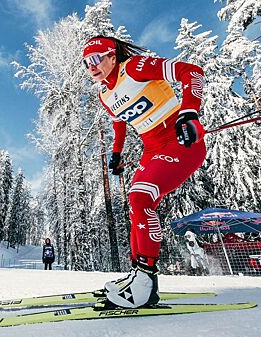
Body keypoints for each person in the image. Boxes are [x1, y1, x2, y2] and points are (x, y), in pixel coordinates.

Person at [82, 36, 206, 308]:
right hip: (152, 147)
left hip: (179, 140)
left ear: (113, 57)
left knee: (140, 197)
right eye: (86, 62)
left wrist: (189, 113)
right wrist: (116, 153)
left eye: (97, 58)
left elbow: (192, 71)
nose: (91, 66)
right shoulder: (105, 94)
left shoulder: (136, 67)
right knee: (135, 204)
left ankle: (145, 283)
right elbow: (119, 124)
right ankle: (139, 276)